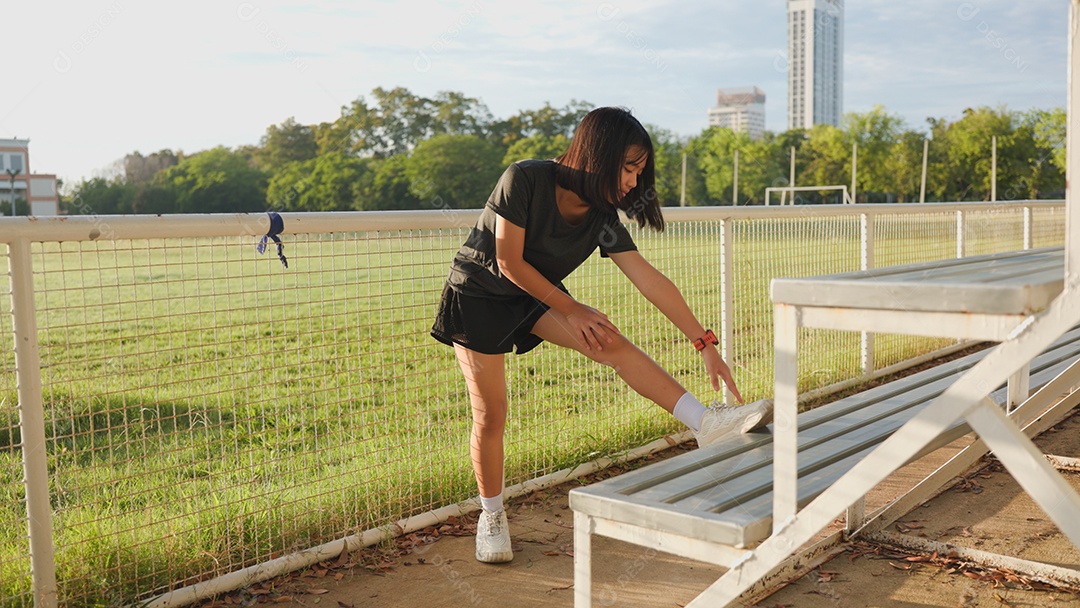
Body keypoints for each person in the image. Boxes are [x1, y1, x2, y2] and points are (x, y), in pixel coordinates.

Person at [430, 106, 773, 564]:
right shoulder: (524, 179)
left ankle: (706, 424)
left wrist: (703, 343)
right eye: (629, 168)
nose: (633, 181)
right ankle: (491, 515)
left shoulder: (602, 218)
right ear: (600, 155)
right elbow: (509, 261)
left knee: (609, 341)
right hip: (478, 294)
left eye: (639, 171)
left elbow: (648, 278)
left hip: (538, 296)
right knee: (491, 414)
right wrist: (571, 309)